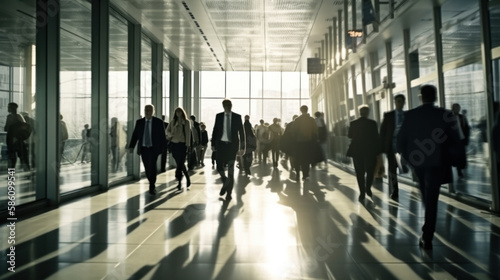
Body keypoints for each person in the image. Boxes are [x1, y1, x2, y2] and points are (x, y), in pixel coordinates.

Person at [397, 85, 462, 250]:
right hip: (437, 162)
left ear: (421, 97)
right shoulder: (445, 115)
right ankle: (427, 235)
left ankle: (427, 232)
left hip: (417, 161)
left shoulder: (411, 115)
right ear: (435, 96)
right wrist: (458, 160)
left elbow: (401, 138)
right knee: (431, 197)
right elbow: (455, 139)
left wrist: (404, 157)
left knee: (427, 195)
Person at [128, 104, 167, 195]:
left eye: (149, 110)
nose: (147, 112)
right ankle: (151, 180)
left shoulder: (158, 122)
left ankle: (152, 185)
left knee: (152, 166)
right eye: (146, 110)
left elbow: (162, 137)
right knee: (147, 167)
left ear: (153, 111)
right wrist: (131, 146)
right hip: (144, 148)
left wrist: (164, 148)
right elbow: (135, 135)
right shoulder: (139, 122)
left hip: (154, 148)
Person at [211, 99, 245, 201]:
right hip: (221, 145)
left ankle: (229, 193)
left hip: (232, 147)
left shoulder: (237, 117)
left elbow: (242, 133)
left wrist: (242, 147)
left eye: (228, 105)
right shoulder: (219, 116)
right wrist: (212, 144)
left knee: (231, 170)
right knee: (219, 167)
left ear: (231, 105)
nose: (227, 106)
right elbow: (215, 130)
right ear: (223, 106)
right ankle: (225, 181)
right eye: (225, 105)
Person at [346, 105, 381, 201]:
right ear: (367, 113)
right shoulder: (372, 123)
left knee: (359, 172)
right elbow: (376, 137)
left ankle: (362, 192)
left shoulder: (353, 123)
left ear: (359, 113)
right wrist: (378, 151)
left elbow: (349, 135)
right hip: (370, 151)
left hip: (357, 151)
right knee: (370, 171)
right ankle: (368, 188)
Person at [380, 94, 406, 200]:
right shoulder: (388, 116)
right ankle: (395, 190)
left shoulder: (407, 115)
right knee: (392, 170)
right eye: (397, 101)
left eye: (401, 101)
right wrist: (382, 149)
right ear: (395, 102)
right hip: (392, 148)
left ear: (404, 102)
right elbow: (382, 132)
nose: (399, 103)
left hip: (404, 148)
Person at [166, 107, 192, 191]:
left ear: (182, 112)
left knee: (181, 163)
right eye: (177, 112)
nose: (178, 113)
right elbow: (167, 131)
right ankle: (186, 177)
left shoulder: (186, 122)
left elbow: (188, 134)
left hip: (182, 144)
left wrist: (188, 145)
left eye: (179, 112)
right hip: (174, 144)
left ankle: (180, 182)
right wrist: (171, 133)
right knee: (179, 163)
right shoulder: (173, 122)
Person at [293, 105, 318, 181]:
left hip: (299, 142)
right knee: (306, 158)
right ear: (307, 110)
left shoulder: (297, 120)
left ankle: (297, 172)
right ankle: (305, 174)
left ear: (301, 110)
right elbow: (315, 131)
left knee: (298, 157)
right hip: (309, 142)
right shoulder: (311, 120)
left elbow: (294, 131)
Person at [4, 102, 29, 170]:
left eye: (9, 107)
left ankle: (11, 178)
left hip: (13, 140)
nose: (8, 108)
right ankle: (27, 175)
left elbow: (6, 128)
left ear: (13, 108)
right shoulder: (18, 117)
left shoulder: (11, 117)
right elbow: (25, 127)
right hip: (17, 139)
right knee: (22, 157)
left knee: (12, 159)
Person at [451, 103, 470, 178]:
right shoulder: (450, 118)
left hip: (461, 139)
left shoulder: (462, 117)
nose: (457, 109)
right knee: (457, 156)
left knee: (462, 155)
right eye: (455, 108)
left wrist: (466, 139)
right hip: (454, 141)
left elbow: (467, 128)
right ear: (452, 108)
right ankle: (459, 170)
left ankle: (460, 169)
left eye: (458, 107)